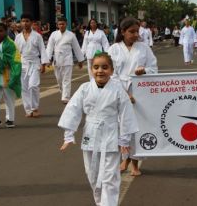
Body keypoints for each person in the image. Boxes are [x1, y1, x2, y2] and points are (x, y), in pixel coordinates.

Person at [59, 51, 139, 206]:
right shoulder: (84, 88)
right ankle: (100, 202)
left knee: (110, 177)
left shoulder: (117, 90)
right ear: (91, 69)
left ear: (111, 70)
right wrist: (68, 135)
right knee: (93, 175)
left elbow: (125, 114)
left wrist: (124, 139)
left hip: (110, 133)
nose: (100, 70)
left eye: (104, 67)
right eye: (96, 67)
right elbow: (73, 110)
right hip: (91, 133)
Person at [108, 17, 158, 176]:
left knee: (137, 128)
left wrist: (144, 71)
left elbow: (154, 68)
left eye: (137, 31)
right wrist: (123, 94)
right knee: (122, 127)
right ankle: (125, 158)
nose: (135, 34)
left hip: (139, 92)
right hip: (119, 90)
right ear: (122, 32)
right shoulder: (114, 49)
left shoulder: (144, 48)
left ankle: (135, 162)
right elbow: (110, 73)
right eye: (131, 31)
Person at [15, 13, 50, 117]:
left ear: (31, 22)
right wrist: (14, 65)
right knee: (24, 88)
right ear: (20, 22)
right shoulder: (18, 37)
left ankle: (34, 108)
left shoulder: (37, 36)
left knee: (33, 85)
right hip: (22, 63)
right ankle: (28, 110)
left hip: (34, 63)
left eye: (27, 21)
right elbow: (16, 53)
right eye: (23, 21)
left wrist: (43, 64)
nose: (25, 23)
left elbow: (42, 50)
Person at [46, 17, 85, 104]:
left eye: (63, 24)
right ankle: (63, 92)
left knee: (66, 79)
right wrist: (47, 59)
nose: (61, 26)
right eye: (60, 24)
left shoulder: (71, 35)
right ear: (57, 25)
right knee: (59, 80)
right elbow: (49, 47)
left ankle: (66, 97)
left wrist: (80, 60)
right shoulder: (54, 34)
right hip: (57, 60)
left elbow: (76, 48)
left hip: (67, 60)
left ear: (66, 24)